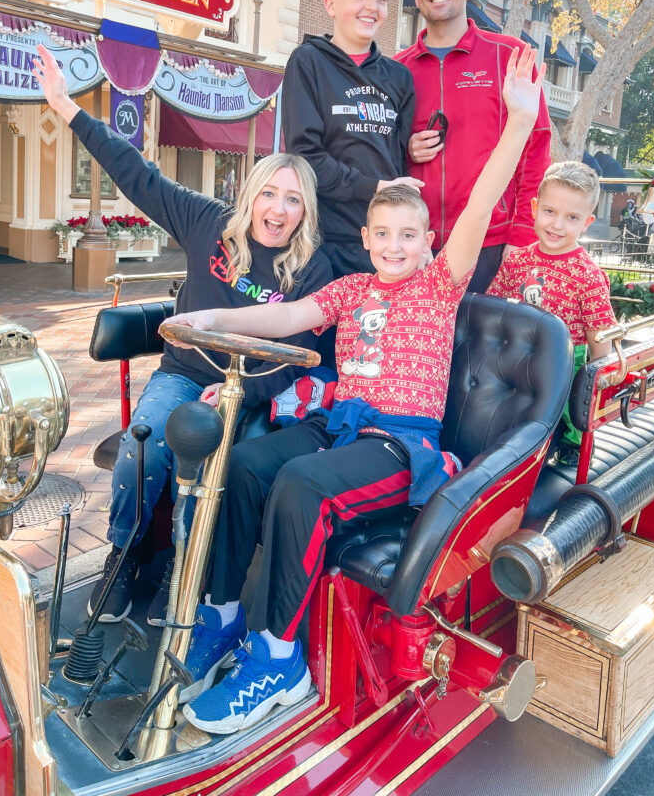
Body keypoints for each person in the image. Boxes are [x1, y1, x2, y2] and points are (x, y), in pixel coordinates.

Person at [165, 44, 544, 735]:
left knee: (302, 485)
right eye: (384, 235)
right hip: (343, 425)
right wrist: (209, 317)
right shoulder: (350, 287)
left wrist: (517, 124)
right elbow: (283, 316)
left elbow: (483, 206)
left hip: (399, 445)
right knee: (247, 465)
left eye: (410, 235)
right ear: (366, 239)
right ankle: (222, 616)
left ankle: (279, 661)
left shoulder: (437, 286)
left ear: (429, 242)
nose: (396, 246)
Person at [32, 44, 332, 626]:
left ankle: (187, 568)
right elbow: (135, 173)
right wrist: (67, 107)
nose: (278, 208)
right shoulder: (206, 224)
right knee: (140, 453)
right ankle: (124, 555)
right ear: (250, 197)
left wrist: (242, 393)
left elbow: (300, 359)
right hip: (182, 374)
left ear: (305, 211)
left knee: (217, 472)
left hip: (248, 389)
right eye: (269, 193)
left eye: (293, 199)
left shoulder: (312, 269)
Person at [396, 0, 552, 292]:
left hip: (491, 248)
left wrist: (523, 235)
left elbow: (536, 148)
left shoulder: (510, 57)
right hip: (414, 248)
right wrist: (405, 148)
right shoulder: (395, 70)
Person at [281, 0, 418, 276]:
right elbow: (306, 159)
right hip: (324, 241)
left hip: (385, 243)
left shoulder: (399, 77)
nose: (372, 6)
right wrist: (375, 187)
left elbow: (399, 161)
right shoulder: (308, 62)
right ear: (330, 5)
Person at [487, 160, 617, 450]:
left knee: (566, 416)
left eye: (572, 217)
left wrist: (593, 384)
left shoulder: (587, 275)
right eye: (549, 211)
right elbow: (495, 307)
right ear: (535, 208)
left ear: (586, 223)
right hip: (518, 352)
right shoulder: (516, 261)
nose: (557, 225)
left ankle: (571, 446)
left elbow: (600, 338)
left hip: (566, 360)